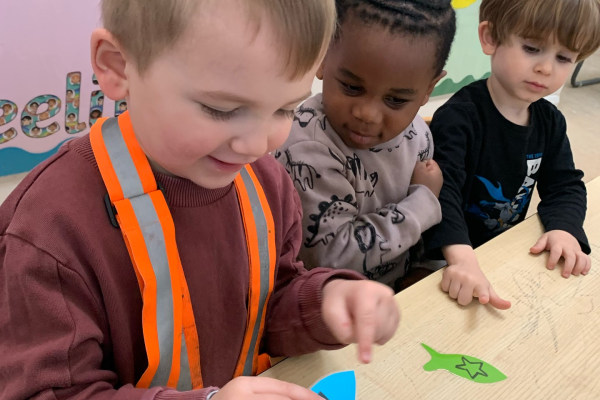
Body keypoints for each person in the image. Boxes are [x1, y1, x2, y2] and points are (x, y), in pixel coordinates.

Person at [0, 1, 400, 399]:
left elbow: (267, 304)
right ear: (118, 66)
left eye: (285, 109)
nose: (257, 144)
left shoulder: (267, 182)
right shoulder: (48, 230)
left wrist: (325, 302)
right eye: (221, 109)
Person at [425, 0, 600, 309]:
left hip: (502, 252)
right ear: (490, 37)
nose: (546, 68)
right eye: (532, 48)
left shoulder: (550, 121)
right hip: (443, 257)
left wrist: (564, 228)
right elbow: (439, 193)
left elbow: (565, 186)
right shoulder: (459, 118)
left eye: (563, 57)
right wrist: (461, 257)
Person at [275, 0, 456, 291]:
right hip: (330, 308)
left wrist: (420, 266)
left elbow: (416, 236)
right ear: (321, 59)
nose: (367, 115)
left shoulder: (417, 134)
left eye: (396, 100)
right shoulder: (306, 149)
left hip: (396, 294)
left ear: (428, 91)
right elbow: (330, 258)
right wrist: (423, 202)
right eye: (352, 87)